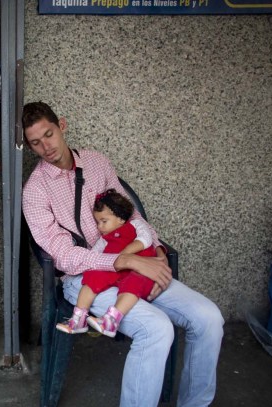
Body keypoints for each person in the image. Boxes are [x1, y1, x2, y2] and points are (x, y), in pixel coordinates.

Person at [22, 101, 224, 407]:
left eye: (48, 134)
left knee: (209, 317)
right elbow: (63, 255)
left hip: (133, 265)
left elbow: (131, 214)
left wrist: (153, 250)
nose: (46, 147)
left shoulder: (97, 163)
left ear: (61, 125)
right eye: (36, 143)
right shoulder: (35, 191)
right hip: (85, 280)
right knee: (156, 329)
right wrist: (124, 260)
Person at [56, 189, 157, 337]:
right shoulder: (104, 240)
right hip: (116, 269)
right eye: (98, 222)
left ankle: (111, 321)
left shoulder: (135, 225)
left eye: (104, 221)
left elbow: (145, 239)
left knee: (134, 284)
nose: (99, 227)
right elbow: (95, 256)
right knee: (92, 276)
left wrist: (124, 256)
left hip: (140, 269)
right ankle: (79, 318)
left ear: (121, 219)